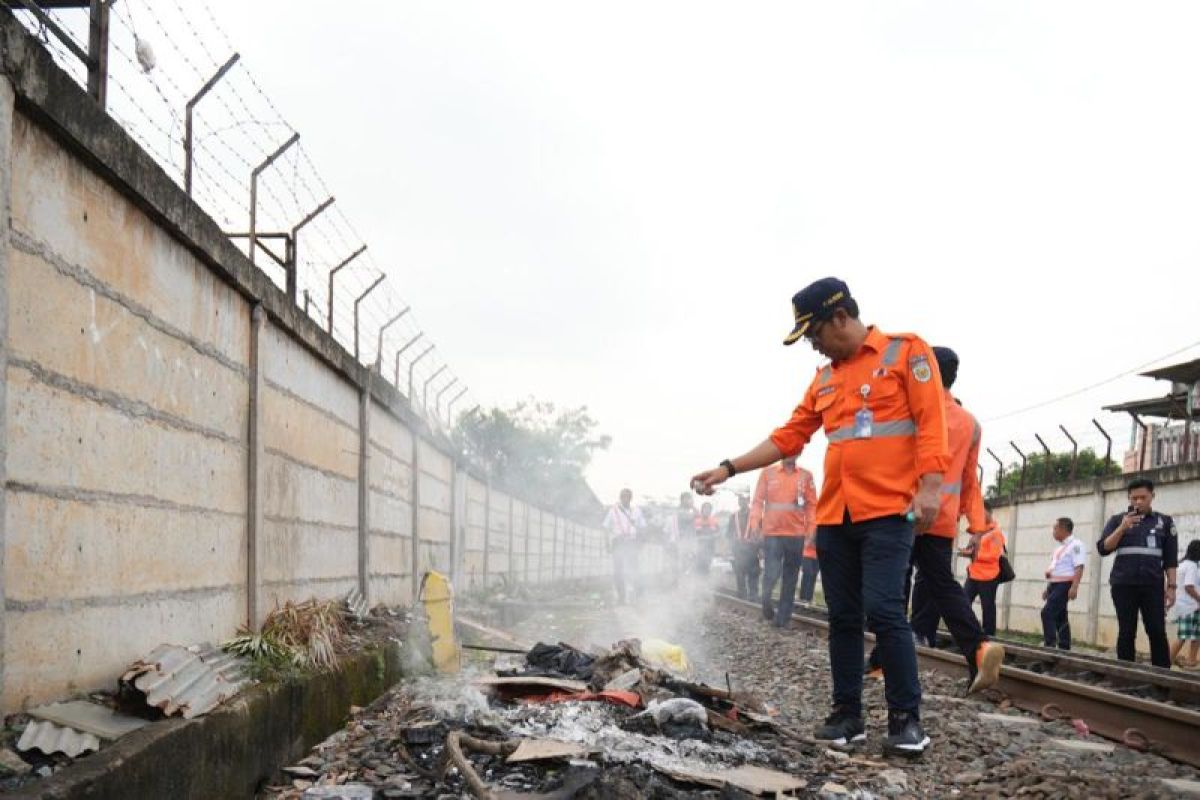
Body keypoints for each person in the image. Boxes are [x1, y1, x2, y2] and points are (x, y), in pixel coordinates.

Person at [692, 277, 947, 757]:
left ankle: (906, 719)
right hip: (836, 517)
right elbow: (790, 435)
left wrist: (930, 486)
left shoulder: (905, 353)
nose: (812, 344)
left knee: (886, 610)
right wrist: (728, 468)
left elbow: (932, 422)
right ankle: (847, 715)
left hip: (889, 512)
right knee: (844, 617)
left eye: (813, 333)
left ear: (840, 319)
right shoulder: (824, 378)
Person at [901, 346, 1004, 693]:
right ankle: (978, 647)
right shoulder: (969, 423)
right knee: (943, 586)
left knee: (891, 583)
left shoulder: (913, 409)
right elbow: (970, 480)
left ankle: (885, 659)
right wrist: (976, 524)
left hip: (904, 511)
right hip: (942, 518)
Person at [1097, 478, 1178, 668]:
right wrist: (1122, 528)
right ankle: (1127, 677)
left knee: (1157, 631)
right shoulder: (1117, 520)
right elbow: (1103, 548)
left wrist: (1172, 586)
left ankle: (1162, 679)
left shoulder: (1164, 522)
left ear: (1152, 496)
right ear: (1129, 498)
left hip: (1153, 586)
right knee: (1126, 631)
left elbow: (1170, 559)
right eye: (1134, 498)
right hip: (1123, 585)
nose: (1138, 502)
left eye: (1143, 497)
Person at [751, 455, 817, 627]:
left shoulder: (806, 476)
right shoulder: (768, 473)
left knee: (791, 577)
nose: (791, 453)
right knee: (771, 572)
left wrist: (811, 529)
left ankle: (783, 619)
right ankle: (766, 603)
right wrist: (755, 523)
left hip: (796, 534)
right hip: (772, 533)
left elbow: (811, 505)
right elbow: (757, 501)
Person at [961, 503, 1006, 637]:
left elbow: (994, 555)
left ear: (989, 513)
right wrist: (968, 551)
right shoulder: (978, 531)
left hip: (989, 576)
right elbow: (974, 549)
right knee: (963, 602)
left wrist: (973, 554)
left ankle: (989, 635)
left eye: (982, 513)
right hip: (974, 574)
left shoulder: (996, 533)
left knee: (987, 607)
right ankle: (970, 629)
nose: (979, 516)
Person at [1041, 517, 1085, 650]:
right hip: (1055, 584)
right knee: (1061, 616)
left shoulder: (1076, 545)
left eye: (1055, 528)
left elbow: (1079, 566)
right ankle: (1064, 646)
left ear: (1063, 529)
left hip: (1065, 584)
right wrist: (1047, 588)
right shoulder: (1059, 548)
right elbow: (1056, 568)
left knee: (1047, 612)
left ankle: (1050, 644)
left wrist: (1074, 586)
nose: (1053, 531)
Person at [602, 488, 645, 604]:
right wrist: (607, 543)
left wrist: (641, 543)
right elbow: (605, 527)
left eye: (628, 496)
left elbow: (642, 528)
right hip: (618, 542)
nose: (625, 499)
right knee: (618, 570)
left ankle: (637, 594)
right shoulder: (613, 510)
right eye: (623, 496)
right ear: (620, 498)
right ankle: (621, 596)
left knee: (634, 569)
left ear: (631, 498)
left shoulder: (637, 511)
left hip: (631, 542)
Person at [1170, 540, 1200, 669]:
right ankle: (1167, 661)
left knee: (1196, 634)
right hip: (1191, 606)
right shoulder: (1192, 566)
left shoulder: (1182, 564)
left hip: (1184, 605)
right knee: (1183, 636)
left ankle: (1191, 661)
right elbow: (1189, 586)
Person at [728, 494, 762, 601]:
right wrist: (731, 547)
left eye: (744, 500)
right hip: (738, 549)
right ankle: (742, 596)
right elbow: (729, 533)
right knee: (740, 573)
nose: (742, 502)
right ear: (738, 501)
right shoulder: (734, 516)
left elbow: (761, 532)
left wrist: (761, 548)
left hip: (752, 549)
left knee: (753, 573)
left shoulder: (756, 516)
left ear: (748, 500)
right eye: (740, 500)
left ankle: (753, 595)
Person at [662, 492, 695, 585]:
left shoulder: (692, 513)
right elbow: (665, 532)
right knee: (674, 566)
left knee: (687, 566)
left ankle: (685, 585)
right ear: (681, 500)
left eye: (689, 499)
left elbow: (694, 531)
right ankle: (674, 585)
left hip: (687, 544)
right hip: (674, 544)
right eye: (686, 499)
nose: (687, 501)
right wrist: (666, 544)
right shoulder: (673, 514)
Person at [694, 501, 721, 574]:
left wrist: (714, 536)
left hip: (710, 548)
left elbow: (719, 533)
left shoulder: (714, 521)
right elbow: (693, 534)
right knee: (698, 567)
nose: (707, 511)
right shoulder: (697, 521)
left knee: (708, 567)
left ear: (711, 511)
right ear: (702, 510)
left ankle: (707, 582)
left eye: (709, 509)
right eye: (705, 509)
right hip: (699, 548)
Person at [799, 526, 821, 603]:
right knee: (808, 574)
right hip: (807, 553)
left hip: (817, 555)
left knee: (813, 576)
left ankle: (808, 598)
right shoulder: (810, 524)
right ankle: (803, 597)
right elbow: (805, 539)